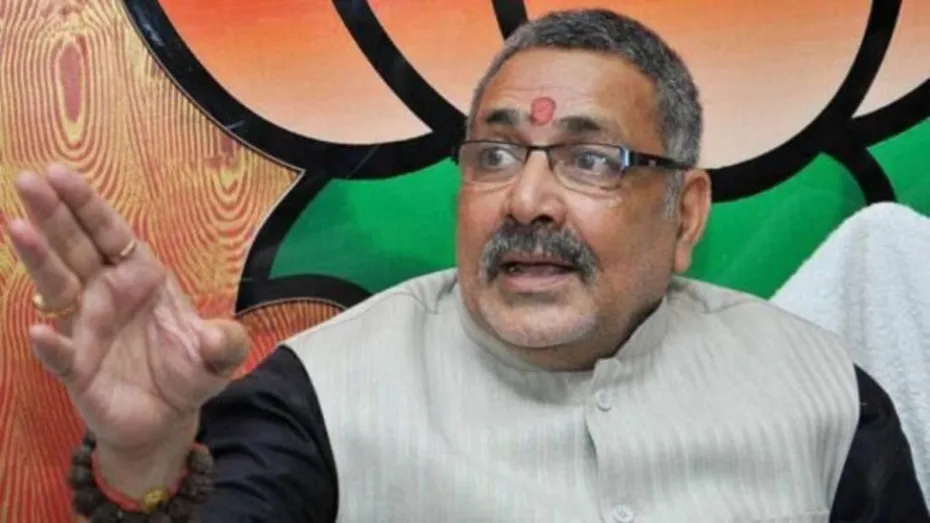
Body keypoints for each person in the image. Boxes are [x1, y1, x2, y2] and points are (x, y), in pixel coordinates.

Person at [7, 8, 927, 523]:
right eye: (494, 155)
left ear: (684, 214)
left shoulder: (823, 396)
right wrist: (145, 455)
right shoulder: (325, 395)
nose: (527, 199)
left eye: (588, 158)